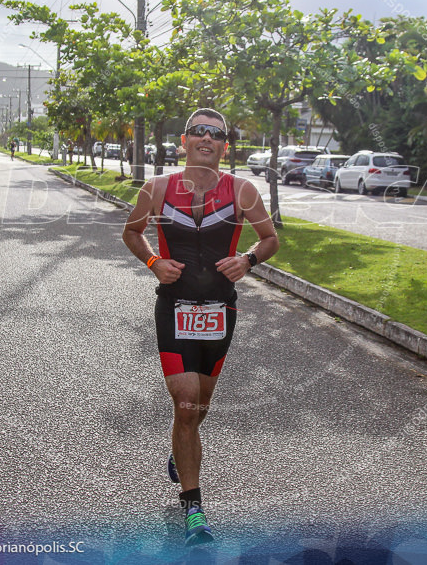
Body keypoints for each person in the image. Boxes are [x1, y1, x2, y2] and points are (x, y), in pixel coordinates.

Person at [122, 108, 279, 546]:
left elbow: (270, 239)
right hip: (173, 307)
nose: (206, 138)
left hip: (218, 311)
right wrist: (154, 262)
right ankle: (194, 506)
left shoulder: (243, 191)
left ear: (225, 146)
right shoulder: (156, 189)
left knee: (200, 406)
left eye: (216, 134)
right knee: (186, 404)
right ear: (184, 141)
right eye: (198, 131)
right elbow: (132, 232)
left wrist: (247, 259)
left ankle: (181, 449)